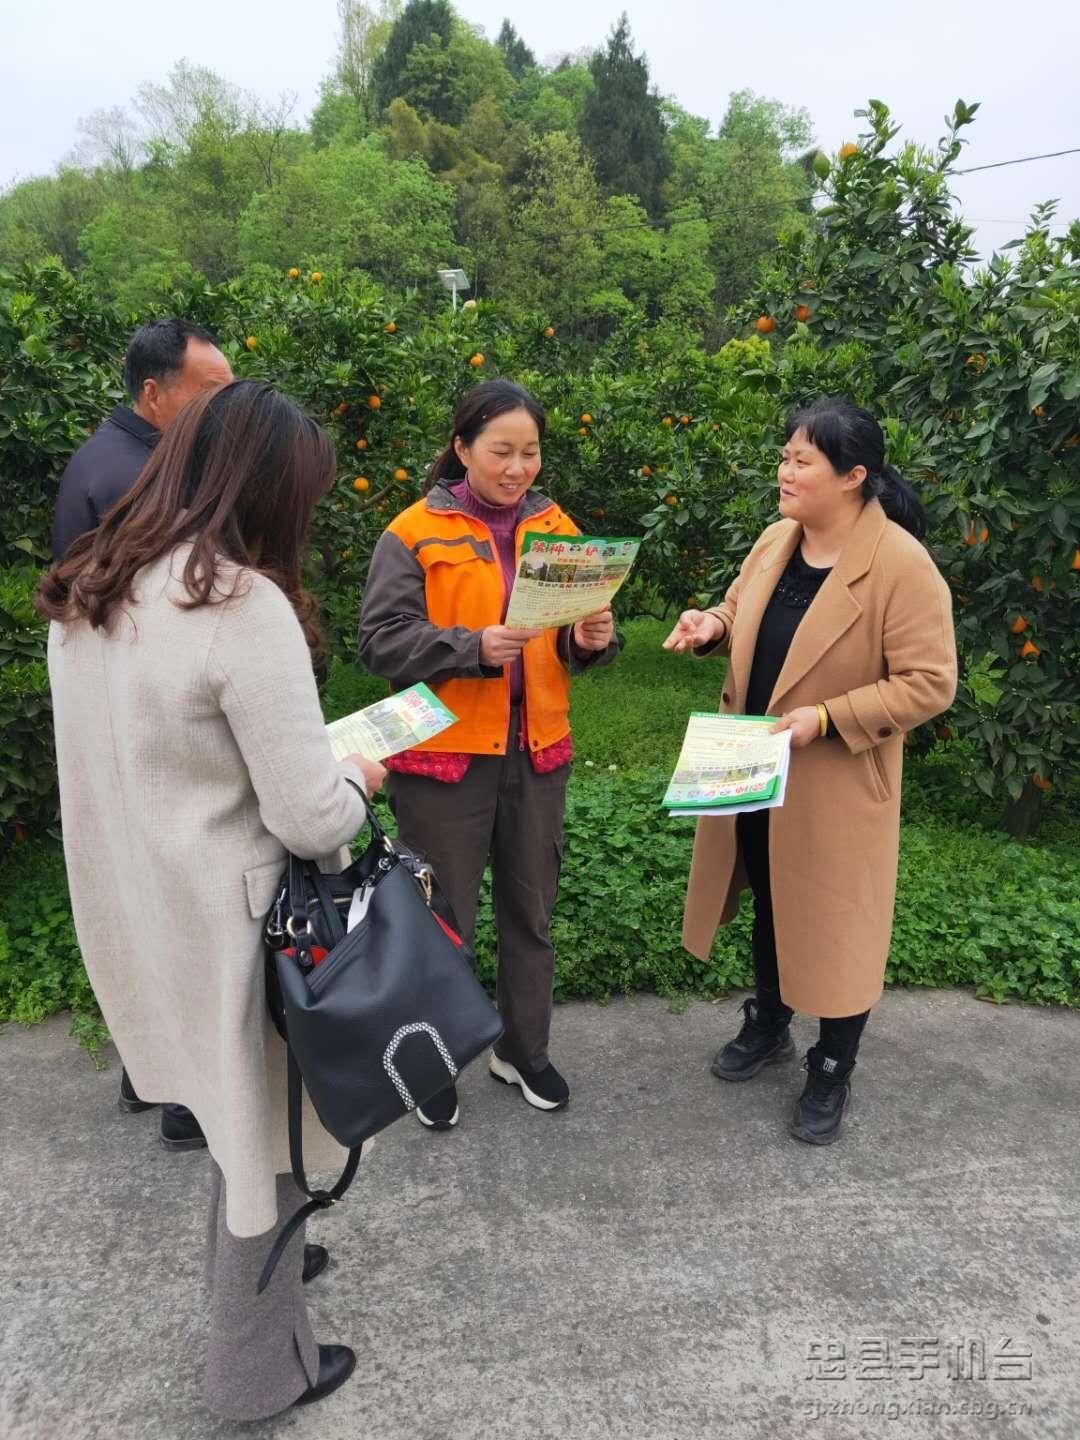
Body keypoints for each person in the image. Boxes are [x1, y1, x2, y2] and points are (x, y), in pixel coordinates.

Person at [37, 380, 386, 1418]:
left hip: (141, 911)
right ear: (268, 491)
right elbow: (310, 819)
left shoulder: (93, 585)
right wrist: (357, 778)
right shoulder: (236, 604)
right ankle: (256, 1373)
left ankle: (259, 1309)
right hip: (239, 927)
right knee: (264, 1145)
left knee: (234, 1125)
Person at [664, 399, 957, 1145]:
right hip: (756, 767)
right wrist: (711, 625)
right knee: (772, 898)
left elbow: (930, 683)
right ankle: (769, 1022)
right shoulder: (777, 539)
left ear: (854, 476)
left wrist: (825, 719)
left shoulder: (899, 565)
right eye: (785, 456)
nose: (785, 471)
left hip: (835, 782)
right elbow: (739, 607)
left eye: (803, 461)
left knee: (837, 923)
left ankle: (832, 1065)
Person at [358, 379, 620, 1129]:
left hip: (535, 755)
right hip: (446, 761)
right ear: (463, 447)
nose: (517, 468)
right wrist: (470, 647)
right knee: (442, 921)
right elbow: (378, 642)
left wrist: (589, 640)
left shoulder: (557, 528)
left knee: (530, 915)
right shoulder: (415, 532)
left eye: (530, 452)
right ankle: (430, 1063)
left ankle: (522, 1050)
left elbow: (570, 640)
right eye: (501, 451)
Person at [52, 316, 233, 1150]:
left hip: (118, 722)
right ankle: (184, 1098)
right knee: (175, 908)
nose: (224, 406)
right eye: (211, 391)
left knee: (142, 899)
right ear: (155, 394)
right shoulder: (134, 480)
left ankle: (145, 1071)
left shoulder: (126, 458)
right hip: (147, 728)